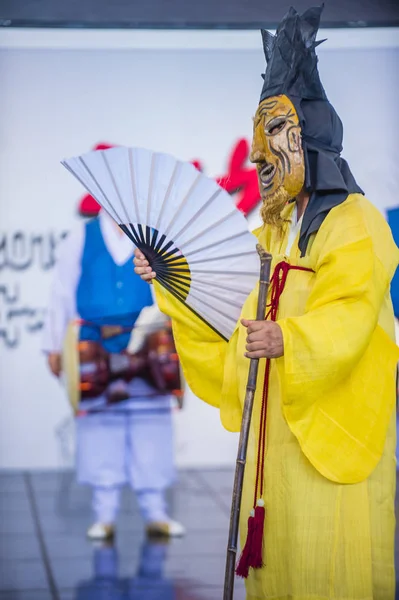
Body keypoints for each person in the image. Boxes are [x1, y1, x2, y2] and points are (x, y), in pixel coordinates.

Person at [134, 6, 399, 600]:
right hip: (272, 438)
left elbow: (353, 312)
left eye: (270, 143)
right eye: (255, 149)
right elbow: (223, 297)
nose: (256, 161)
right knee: (276, 561)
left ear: (308, 140)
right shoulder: (271, 235)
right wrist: (169, 278)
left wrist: (290, 340)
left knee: (327, 559)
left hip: (329, 434)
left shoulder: (357, 223)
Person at [43, 208, 184, 540]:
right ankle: (103, 514)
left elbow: (175, 286)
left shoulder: (150, 236)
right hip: (95, 344)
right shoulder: (82, 236)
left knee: (152, 425)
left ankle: (156, 512)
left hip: (147, 345)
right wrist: (53, 345)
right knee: (98, 425)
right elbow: (62, 291)